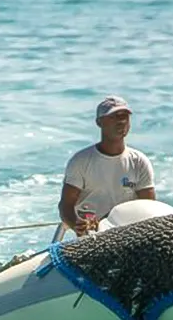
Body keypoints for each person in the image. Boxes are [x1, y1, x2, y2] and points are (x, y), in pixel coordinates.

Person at [57, 95, 156, 236]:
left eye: (125, 117)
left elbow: (149, 207)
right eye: (114, 117)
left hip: (129, 237)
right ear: (99, 122)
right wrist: (76, 223)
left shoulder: (139, 162)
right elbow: (66, 206)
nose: (121, 121)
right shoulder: (81, 161)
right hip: (91, 236)